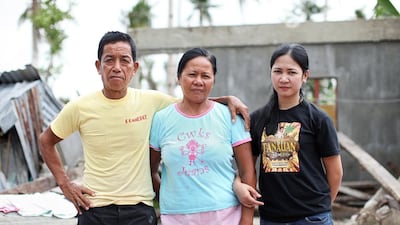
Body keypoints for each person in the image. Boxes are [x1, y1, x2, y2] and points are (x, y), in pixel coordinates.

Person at [38, 31, 251, 225]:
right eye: (109, 60)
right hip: (94, 208)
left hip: (139, 210)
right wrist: (65, 184)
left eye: (125, 60)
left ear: (135, 68)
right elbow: (46, 141)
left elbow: (192, 100)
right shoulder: (79, 107)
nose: (117, 67)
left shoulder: (152, 101)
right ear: (98, 66)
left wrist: (226, 99)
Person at [149, 47, 257, 225]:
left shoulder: (230, 116)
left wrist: (247, 219)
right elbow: (150, 170)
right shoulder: (161, 119)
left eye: (205, 76)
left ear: (213, 80)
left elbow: (247, 171)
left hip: (226, 215)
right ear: (179, 78)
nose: (198, 81)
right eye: (192, 74)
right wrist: (169, 197)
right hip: (176, 218)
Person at [249, 43, 343, 225]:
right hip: (271, 218)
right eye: (278, 71)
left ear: (305, 76)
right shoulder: (258, 119)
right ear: (271, 74)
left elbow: (336, 172)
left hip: (312, 218)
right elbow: (248, 169)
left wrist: (321, 207)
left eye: (291, 72)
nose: (284, 78)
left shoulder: (318, 119)